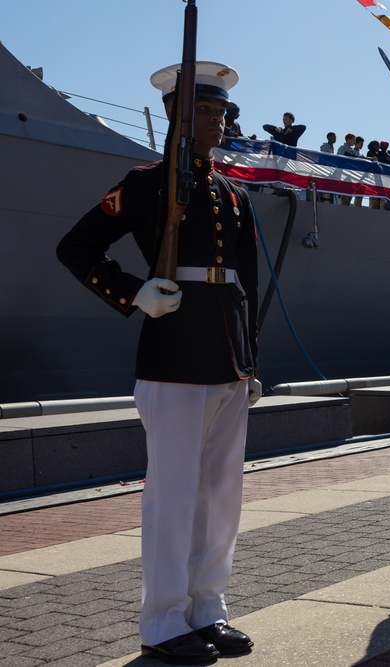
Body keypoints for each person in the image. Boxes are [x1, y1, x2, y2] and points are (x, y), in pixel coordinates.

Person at [56, 62, 259, 663]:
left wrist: (251, 360)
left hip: (227, 351)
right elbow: (76, 247)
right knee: (173, 493)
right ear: (174, 113)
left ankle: (207, 609)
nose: (218, 119)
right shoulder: (147, 183)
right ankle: (165, 620)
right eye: (204, 109)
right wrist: (134, 292)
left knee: (222, 492)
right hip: (174, 353)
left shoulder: (231, 190)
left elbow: (246, 281)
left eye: (221, 110)